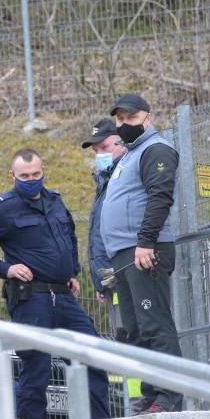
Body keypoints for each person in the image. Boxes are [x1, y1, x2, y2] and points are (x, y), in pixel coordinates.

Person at [0, 149, 112, 419]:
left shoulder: (55, 201)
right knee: (36, 369)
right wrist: (5, 269)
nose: (31, 180)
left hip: (64, 296)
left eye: (36, 174)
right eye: (25, 176)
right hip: (32, 299)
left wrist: (72, 272)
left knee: (92, 358)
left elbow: (69, 238)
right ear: (12, 175)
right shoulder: (1, 208)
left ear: (43, 171)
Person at [100, 93, 184, 414]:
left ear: (148, 118)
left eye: (131, 119)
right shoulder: (128, 156)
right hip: (125, 255)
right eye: (120, 120)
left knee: (155, 323)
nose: (124, 125)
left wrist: (146, 241)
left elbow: (160, 195)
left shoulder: (155, 149)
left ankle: (168, 396)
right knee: (135, 330)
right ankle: (150, 393)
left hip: (145, 252)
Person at [82, 118, 128, 340]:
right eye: (96, 150)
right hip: (110, 278)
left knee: (131, 334)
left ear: (122, 143)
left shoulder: (126, 177)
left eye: (104, 148)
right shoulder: (104, 182)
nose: (99, 154)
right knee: (122, 334)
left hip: (125, 273)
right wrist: (100, 282)